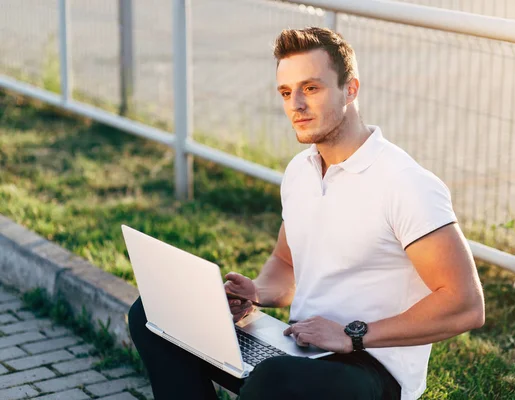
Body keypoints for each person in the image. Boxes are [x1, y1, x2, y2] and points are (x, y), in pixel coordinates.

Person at [128, 27, 485, 400]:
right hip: (299, 349)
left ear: (351, 89)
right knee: (153, 315)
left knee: (275, 380)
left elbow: (465, 304)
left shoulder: (405, 183)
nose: (295, 104)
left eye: (311, 88)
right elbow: (286, 261)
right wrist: (257, 292)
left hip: (369, 368)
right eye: (286, 92)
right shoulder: (301, 171)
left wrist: (352, 335)